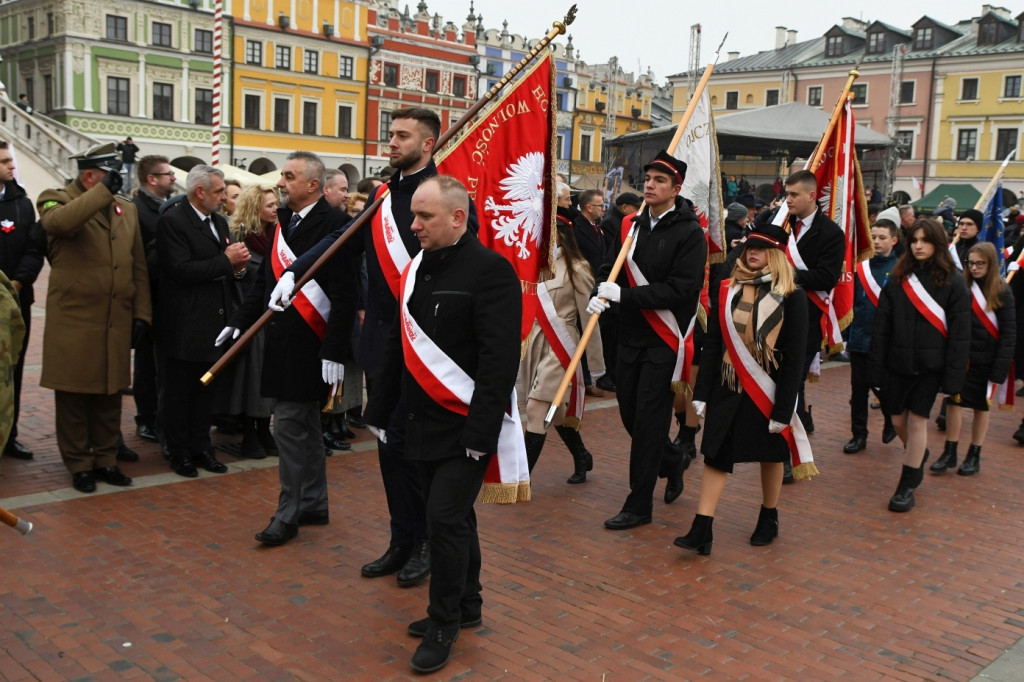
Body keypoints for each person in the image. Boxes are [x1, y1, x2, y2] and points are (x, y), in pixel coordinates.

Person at [269, 108, 478, 586]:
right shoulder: (382, 196)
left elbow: (462, 267)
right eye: (390, 135)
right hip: (382, 346)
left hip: (426, 349)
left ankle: (426, 541)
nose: (391, 143)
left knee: (419, 453)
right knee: (388, 448)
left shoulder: (446, 198)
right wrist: (294, 271)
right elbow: (340, 238)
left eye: (402, 136)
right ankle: (401, 538)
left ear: (428, 144)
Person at [362, 175, 522, 674]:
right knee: (455, 518)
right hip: (419, 420)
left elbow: (499, 360)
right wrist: (379, 408)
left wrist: (481, 433)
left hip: (464, 425)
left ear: (457, 217)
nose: (414, 226)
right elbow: (397, 348)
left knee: (444, 520)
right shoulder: (416, 269)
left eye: (424, 217)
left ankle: (443, 621)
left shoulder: (491, 271)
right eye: (412, 216)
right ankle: (468, 604)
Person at [222, 151, 358, 546]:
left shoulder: (336, 225)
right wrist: (237, 322)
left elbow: (346, 296)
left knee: (289, 430)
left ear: (313, 185)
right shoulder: (286, 223)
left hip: (311, 346)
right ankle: (313, 502)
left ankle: (289, 512)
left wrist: (334, 350)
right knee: (306, 429)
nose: (281, 183)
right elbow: (266, 282)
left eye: (289, 176)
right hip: (282, 342)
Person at [587, 150, 707, 530]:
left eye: (659, 181)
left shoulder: (690, 233)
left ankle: (639, 505)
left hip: (664, 338)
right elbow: (612, 268)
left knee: (650, 421)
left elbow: (681, 290)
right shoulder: (630, 226)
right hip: (630, 336)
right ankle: (673, 460)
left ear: (676, 188)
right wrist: (602, 290)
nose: (650, 186)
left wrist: (627, 297)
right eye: (648, 179)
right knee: (630, 416)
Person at [675, 222, 809, 555]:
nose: (752, 252)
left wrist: (783, 409)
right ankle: (701, 527)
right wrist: (702, 393)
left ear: (776, 255)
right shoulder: (728, 289)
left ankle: (769, 515)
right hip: (727, 385)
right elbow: (714, 344)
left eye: (761, 248)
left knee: (770, 455)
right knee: (715, 454)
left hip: (768, 390)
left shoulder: (793, 296)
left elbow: (795, 359)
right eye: (750, 246)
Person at [37, 143, 151, 493]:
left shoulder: (125, 209)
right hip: (74, 321)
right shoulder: (55, 198)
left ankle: (105, 459)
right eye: (107, 175)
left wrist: (142, 315)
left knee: (109, 394)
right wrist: (102, 192)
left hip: (114, 319)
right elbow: (60, 224)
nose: (115, 182)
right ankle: (79, 464)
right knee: (73, 396)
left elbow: (138, 265)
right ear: (89, 176)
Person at [871, 219, 970, 512]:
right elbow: (882, 327)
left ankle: (907, 484)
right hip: (897, 363)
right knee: (898, 420)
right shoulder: (898, 277)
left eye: (925, 240)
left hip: (931, 367)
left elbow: (960, 334)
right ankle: (918, 454)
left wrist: (952, 379)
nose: (918, 245)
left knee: (916, 421)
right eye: (914, 240)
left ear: (937, 244)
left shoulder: (954, 281)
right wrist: (877, 367)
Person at [157, 165, 242, 478]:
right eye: (219, 191)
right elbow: (180, 270)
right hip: (184, 323)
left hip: (215, 322)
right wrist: (226, 261)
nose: (223, 197)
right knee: (180, 393)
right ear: (200, 192)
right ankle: (179, 452)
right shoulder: (173, 221)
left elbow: (228, 270)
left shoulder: (219, 222)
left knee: (206, 391)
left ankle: (202, 447)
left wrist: (238, 265)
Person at [522, 218, 603, 483]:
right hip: (535, 343)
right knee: (553, 411)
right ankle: (582, 455)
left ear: (561, 235)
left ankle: (521, 478)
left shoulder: (577, 268)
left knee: (536, 408)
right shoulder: (533, 264)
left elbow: (589, 316)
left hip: (562, 344)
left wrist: (595, 362)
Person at [775, 170, 844, 456]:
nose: (787, 200)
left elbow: (826, 277)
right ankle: (785, 441)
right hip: (773, 318)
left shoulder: (831, 234)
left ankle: (792, 452)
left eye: (793, 195)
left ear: (812, 196)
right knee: (779, 383)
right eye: (786, 194)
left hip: (806, 320)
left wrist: (783, 274)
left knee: (793, 385)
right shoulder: (780, 224)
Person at [932, 243, 1014, 476]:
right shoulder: (961, 286)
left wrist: (1000, 368)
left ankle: (974, 454)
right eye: (971, 263)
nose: (975, 268)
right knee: (954, 402)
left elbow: (1009, 333)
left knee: (981, 407)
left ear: (991, 264)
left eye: (980, 263)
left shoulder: (1002, 291)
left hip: (987, 360)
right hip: (961, 358)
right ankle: (950, 451)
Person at [225, 185, 280, 459]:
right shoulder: (238, 236)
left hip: (273, 318)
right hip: (249, 319)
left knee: (270, 378)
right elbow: (232, 279)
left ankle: (263, 428)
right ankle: (250, 431)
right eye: (269, 204)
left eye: (275, 204)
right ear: (254, 207)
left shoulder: (278, 235)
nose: (275, 209)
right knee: (251, 381)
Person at [0, 140, 44, 460]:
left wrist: (18, 281)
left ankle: (9, 436)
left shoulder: (22, 203)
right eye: (4, 162)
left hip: (16, 301)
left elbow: (33, 248)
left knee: (12, 369)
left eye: (10, 161)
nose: (11, 166)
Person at [131, 155, 177, 446]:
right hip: (148, 297)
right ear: (151, 179)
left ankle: (160, 415)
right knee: (147, 364)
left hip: (169, 297)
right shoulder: (137, 210)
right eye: (167, 174)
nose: (173, 178)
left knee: (164, 364)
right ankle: (145, 418)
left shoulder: (166, 209)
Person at [844, 220, 899, 454]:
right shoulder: (860, 267)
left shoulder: (900, 269)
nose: (876, 241)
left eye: (882, 237)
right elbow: (851, 302)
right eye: (873, 236)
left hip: (885, 343)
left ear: (894, 240)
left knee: (883, 387)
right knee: (858, 391)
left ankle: (891, 418)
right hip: (859, 339)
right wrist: (846, 335)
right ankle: (859, 435)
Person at [595, 191, 643, 393]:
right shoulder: (617, 225)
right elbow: (608, 261)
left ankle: (613, 374)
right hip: (613, 291)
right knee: (610, 340)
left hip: (622, 294)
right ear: (625, 208)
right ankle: (608, 374)